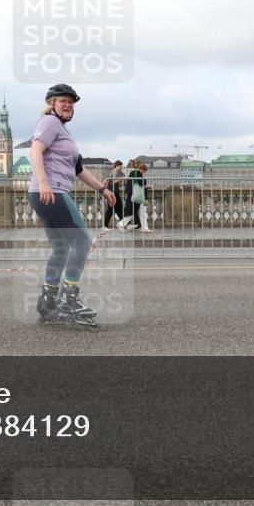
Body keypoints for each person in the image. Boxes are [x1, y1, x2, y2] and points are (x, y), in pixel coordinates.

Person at [28, 84, 116, 327]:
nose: (67, 105)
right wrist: (45, 183)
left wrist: (102, 188)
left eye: (71, 102)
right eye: (62, 101)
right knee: (83, 241)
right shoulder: (49, 123)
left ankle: (47, 302)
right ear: (52, 104)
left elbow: (78, 170)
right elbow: (35, 151)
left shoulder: (62, 131)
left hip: (41, 192)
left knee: (61, 247)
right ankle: (70, 299)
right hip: (51, 191)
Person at [117, 160, 147, 231]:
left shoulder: (131, 173)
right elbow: (143, 183)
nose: (144, 172)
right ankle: (122, 223)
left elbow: (128, 185)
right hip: (136, 195)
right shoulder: (139, 173)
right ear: (142, 169)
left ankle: (137, 225)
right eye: (144, 171)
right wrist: (144, 178)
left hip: (131, 195)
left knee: (134, 211)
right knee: (133, 211)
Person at [102, 160, 125, 231]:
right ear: (117, 166)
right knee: (115, 209)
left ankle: (124, 224)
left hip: (113, 192)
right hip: (114, 192)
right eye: (121, 166)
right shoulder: (115, 171)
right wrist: (121, 179)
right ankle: (123, 224)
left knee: (116, 209)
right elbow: (113, 181)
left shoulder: (114, 172)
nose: (121, 168)